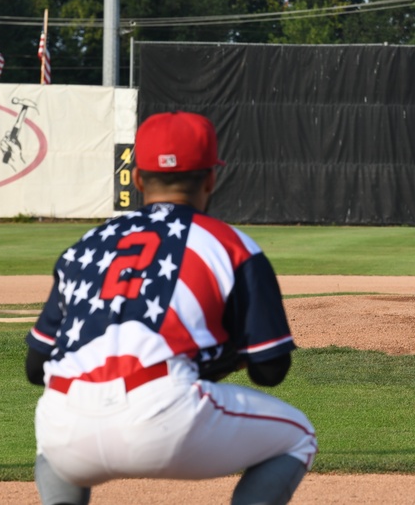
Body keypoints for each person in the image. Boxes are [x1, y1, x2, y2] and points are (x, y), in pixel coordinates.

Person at [25, 111, 317, 505]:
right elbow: (271, 371)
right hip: (162, 414)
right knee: (297, 434)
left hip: (65, 420)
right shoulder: (230, 245)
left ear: (138, 179)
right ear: (211, 178)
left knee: (55, 449)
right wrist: (220, 357)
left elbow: (34, 367)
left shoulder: (85, 245)